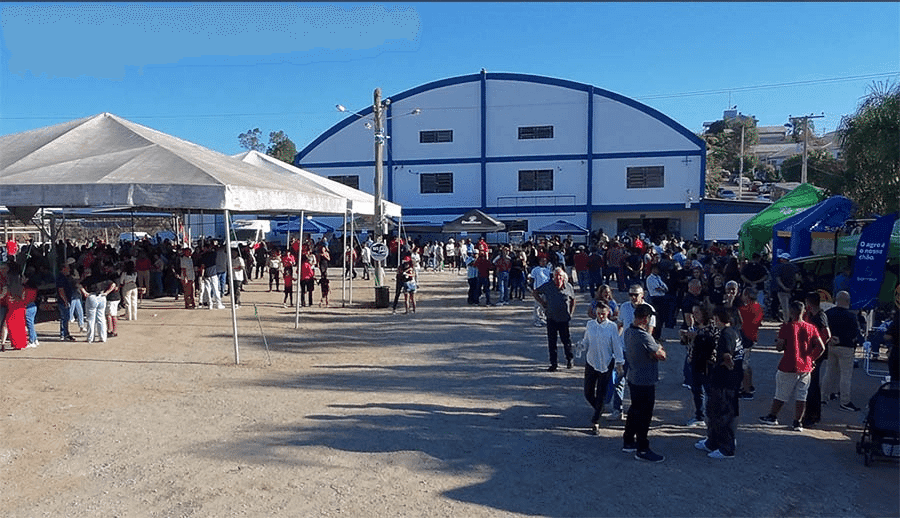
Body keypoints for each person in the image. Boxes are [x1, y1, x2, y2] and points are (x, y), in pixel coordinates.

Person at [759, 301, 826, 431]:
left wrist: (780, 343)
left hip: (789, 364)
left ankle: (772, 416)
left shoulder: (787, 327)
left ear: (791, 312)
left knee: (781, 394)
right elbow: (821, 346)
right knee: (802, 395)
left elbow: (779, 347)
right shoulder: (811, 327)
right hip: (805, 366)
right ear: (803, 312)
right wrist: (812, 358)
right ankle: (797, 422)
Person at [697, 305, 743, 459]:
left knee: (723, 413)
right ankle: (713, 441)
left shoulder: (726, 334)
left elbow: (728, 355)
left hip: (725, 381)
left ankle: (727, 447)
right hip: (727, 380)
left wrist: (728, 366)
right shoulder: (734, 332)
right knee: (713, 410)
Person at [622, 303, 667, 463]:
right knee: (644, 415)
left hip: (633, 377)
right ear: (646, 319)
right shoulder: (644, 336)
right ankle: (642, 448)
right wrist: (659, 349)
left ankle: (628, 440)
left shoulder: (628, 332)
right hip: (645, 381)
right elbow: (661, 355)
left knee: (634, 410)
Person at [610, 285, 656, 420]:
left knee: (639, 383)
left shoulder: (649, 310)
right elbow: (620, 325)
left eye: (636, 294)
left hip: (639, 353)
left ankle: (640, 410)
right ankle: (617, 410)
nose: (633, 297)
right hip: (624, 349)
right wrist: (615, 344)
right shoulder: (624, 307)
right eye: (631, 294)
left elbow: (649, 331)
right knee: (618, 380)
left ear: (643, 295)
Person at [580, 300, 625, 433]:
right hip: (591, 362)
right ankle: (599, 409)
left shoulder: (611, 327)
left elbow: (617, 346)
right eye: (599, 313)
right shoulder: (590, 325)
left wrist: (619, 363)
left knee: (601, 393)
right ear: (595, 312)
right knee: (588, 392)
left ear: (608, 313)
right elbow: (586, 340)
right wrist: (581, 346)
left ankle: (596, 422)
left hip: (606, 363)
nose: (601, 316)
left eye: (603, 314)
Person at [821, 291, 863, 412]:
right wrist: (842, 339)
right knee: (845, 375)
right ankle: (845, 401)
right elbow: (855, 333)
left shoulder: (828, 313)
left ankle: (824, 396)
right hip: (846, 347)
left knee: (829, 371)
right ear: (848, 302)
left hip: (831, 345)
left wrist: (830, 339)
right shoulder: (851, 316)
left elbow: (823, 328)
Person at [533, 267, 577, 371]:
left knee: (566, 341)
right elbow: (535, 292)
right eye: (556, 277)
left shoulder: (568, 287)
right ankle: (553, 363)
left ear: (563, 277)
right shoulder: (548, 286)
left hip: (564, 319)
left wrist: (571, 313)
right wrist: (542, 303)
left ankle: (569, 359)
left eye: (560, 277)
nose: (558, 279)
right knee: (552, 342)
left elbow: (573, 300)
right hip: (551, 318)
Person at [801, 291, 830, 428]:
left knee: (811, 386)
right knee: (811, 385)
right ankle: (813, 414)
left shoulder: (820, 317)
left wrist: (815, 353)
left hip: (814, 356)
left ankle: (810, 416)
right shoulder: (813, 315)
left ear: (809, 303)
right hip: (811, 354)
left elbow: (826, 334)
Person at [738, 287, 764, 400]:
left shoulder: (745, 309)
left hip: (746, 338)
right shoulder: (758, 307)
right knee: (747, 364)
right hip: (753, 337)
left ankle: (747, 390)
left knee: (743, 366)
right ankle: (749, 385)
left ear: (747, 296)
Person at [79, 266, 115, 343]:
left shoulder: (89, 278)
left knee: (90, 319)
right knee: (101, 318)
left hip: (91, 296)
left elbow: (80, 285)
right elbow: (113, 285)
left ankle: (90, 338)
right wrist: (106, 293)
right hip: (102, 296)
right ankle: (103, 337)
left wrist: (85, 292)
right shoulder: (104, 278)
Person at [55, 263, 78, 341]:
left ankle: (66, 333)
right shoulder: (61, 278)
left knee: (66, 317)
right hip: (63, 301)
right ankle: (64, 334)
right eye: (67, 268)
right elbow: (61, 290)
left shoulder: (65, 277)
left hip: (66, 299)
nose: (69, 270)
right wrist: (65, 300)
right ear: (63, 269)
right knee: (64, 317)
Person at [529, 256, 552, 327]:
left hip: (546, 290)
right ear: (539, 262)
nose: (543, 262)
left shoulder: (548, 270)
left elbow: (550, 279)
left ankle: (543, 318)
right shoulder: (535, 270)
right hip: (538, 290)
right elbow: (532, 280)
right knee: (538, 306)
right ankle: (537, 320)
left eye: (545, 261)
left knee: (545, 305)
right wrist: (532, 289)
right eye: (542, 261)